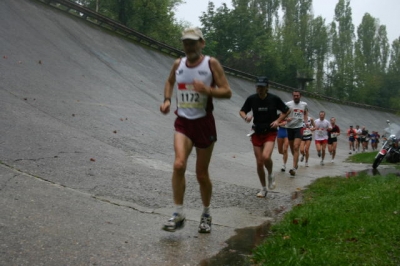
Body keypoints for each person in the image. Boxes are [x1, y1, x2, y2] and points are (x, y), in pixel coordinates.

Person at [160, 27, 232, 233]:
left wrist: (208, 90)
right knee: (179, 164)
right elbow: (170, 81)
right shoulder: (178, 64)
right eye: (185, 42)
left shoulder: (211, 64)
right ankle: (178, 213)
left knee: (201, 174)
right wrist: (166, 100)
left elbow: (227, 91)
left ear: (202, 43)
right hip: (183, 122)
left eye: (192, 42)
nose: (188, 46)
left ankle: (206, 213)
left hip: (204, 123)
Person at [240, 77, 290, 197]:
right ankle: (263, 188)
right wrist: (245, 117)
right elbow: (242, 111)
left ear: (267, 87)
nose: (260, 89)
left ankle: (271, 174)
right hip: (256, 132)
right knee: (259, 162)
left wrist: (278, 121)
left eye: (262, 87)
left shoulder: (274, 99)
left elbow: (287, 110)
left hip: (270, 132)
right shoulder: (252, 99)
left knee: (266, 156)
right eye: (258, 87)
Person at [285, 91, 308, 176]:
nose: (296, 97)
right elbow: (284, 114)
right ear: (292, 96)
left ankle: (294, 168)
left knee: (296, 146)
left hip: (299, 127)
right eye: (294, 95)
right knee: (292, 148)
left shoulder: (304, 104)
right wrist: (286, 119)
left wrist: (305, 121)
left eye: (297, 95)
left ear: (300, 96)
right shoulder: (288, 104)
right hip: (290, 127)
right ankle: (296, 162)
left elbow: (305, 112)